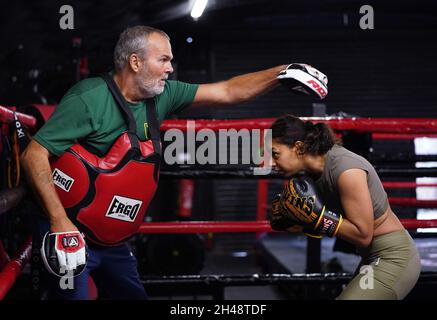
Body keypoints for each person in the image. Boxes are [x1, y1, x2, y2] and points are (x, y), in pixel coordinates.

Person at [20, 25, 327, 299]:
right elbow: (34, 154)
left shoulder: (163, 95)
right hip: (70, 231)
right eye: (163, 60)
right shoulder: (89, 99)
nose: (170, 68)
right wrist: (59, 222)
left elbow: (229, 91)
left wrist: (282, 72)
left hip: (112, 239)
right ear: (135, 62)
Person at [269, 114, 421, 300]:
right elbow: (327, 225)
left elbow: (363, 235)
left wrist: (318, 218)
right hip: (370, 258)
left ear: (298, 147)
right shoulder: (313, 173)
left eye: (275, 154)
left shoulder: (346, 170)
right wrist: (297, 222)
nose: (271, 163)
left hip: (393, 257)